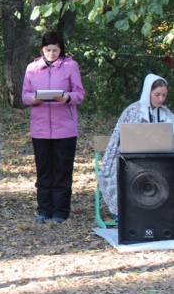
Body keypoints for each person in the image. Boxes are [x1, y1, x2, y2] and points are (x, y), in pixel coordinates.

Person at [22, 31, 85, 224]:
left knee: (62, 170)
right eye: (47, 50)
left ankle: (60, 211)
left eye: (55, 50)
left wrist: (66, 98)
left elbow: (80, 94)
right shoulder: (32, 68)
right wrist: (33, 99)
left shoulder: (70, 66)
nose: (51, 54)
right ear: (42, 49)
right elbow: (24, 95)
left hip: (64, 129)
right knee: (44, 171)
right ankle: (44, 209)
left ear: (61, 49)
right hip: (40, 129)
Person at [99, 74, 174, 220]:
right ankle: (126, 214)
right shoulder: (133, 111)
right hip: (133, 160)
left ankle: (162, 213)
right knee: (122, 175)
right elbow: (118, 138)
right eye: (157, 95)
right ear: (148, 92)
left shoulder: (166, 113)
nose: (160, 99)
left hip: (160, 161)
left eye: (164, 95)